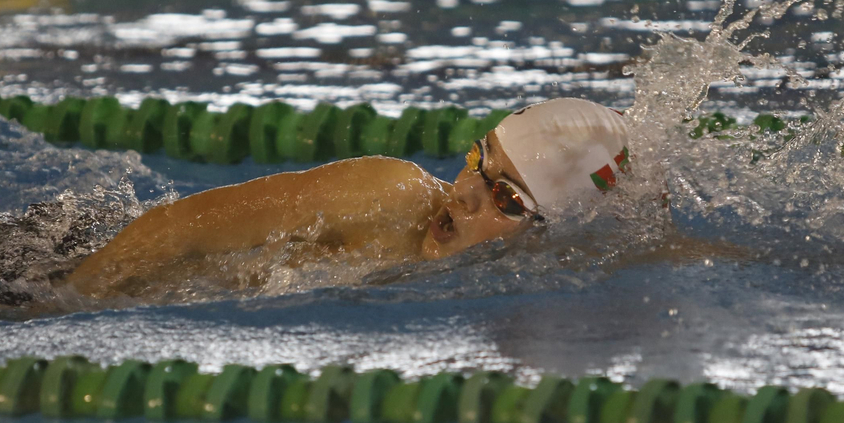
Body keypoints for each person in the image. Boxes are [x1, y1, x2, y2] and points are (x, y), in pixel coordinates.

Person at [66, 98, 631, 298]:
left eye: (505, 197)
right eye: (478, 161)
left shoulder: (541, 276)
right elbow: (182, 225)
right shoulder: (389, 195)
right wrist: (66, 297)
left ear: (550, 233)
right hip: (66, 259)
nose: (463, 195)